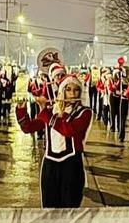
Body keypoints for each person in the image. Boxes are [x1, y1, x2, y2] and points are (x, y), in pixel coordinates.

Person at [16, 73, 92, 207]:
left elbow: (68, 130)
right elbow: (28, 127)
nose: (72, 94)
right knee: (49, 209)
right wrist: (21, 108)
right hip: (50, 165)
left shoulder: (85, 112)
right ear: (62, 91)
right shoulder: (52, 111)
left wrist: (44, 111)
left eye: (76, 90)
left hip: (72, 165)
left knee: (69, 209)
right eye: (68, 89)